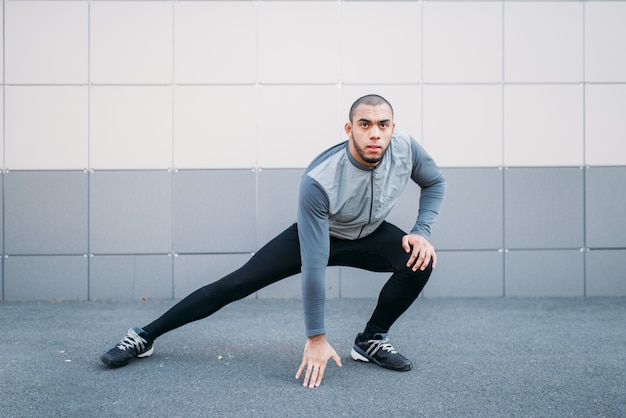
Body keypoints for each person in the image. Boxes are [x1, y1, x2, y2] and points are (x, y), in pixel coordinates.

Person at [100, 94, 446, 388]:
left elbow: (434, 183)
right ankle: (144, 336)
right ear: (349, 129)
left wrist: (421, 231)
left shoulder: (406, 149)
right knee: (233, 285)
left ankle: (371, 339)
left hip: (369, 234)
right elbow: (314, 266)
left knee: (420, 259)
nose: (375, 133)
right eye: (365, 124)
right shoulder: (319, 179)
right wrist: (316, 336)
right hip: (319, 234)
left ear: (392, 129)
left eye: (383, 125)